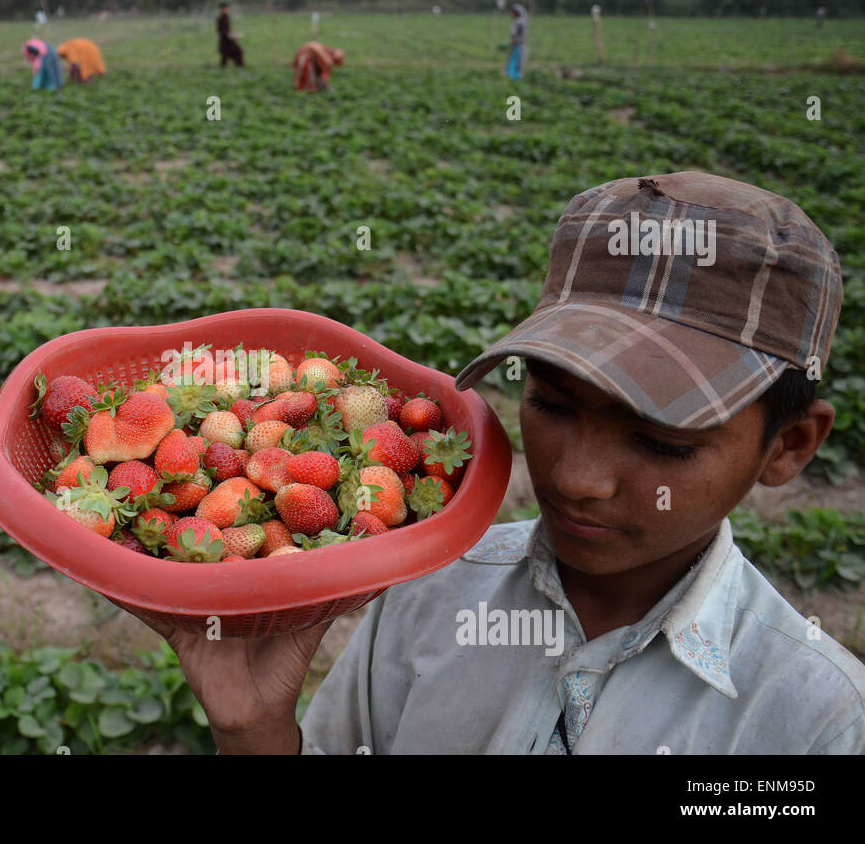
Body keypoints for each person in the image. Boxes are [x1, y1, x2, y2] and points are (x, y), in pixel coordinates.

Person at [140, 172, 865, 754]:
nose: (578, 478)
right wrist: (252, 729)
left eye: (663, 442)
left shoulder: (818, 720)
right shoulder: (425, 588)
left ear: (790, 444)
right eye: (552, 403)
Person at [217, 3, 243, 68]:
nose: (225, 10)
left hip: (229, 40)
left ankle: (238, 66)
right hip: (224, 41)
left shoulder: (227, 17)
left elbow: (228, 29)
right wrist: (230, 35)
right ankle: (223, 68)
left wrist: (233, 34)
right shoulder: (220, 18)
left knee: (238, 51)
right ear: (221, 10)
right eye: (224, 9)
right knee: (226, 55)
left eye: (226, 9)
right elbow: (221, 30)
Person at [506, 3, 528, 80]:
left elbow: (519, 35)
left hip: (519, 46)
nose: (510, 13)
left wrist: (513, 42)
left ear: (515, 12)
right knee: (512, 63)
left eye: (511, 12)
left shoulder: (520, 22)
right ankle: (513, 79)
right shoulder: (516, 21)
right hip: (516, 46)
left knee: (517, 64)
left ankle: (516, 80)